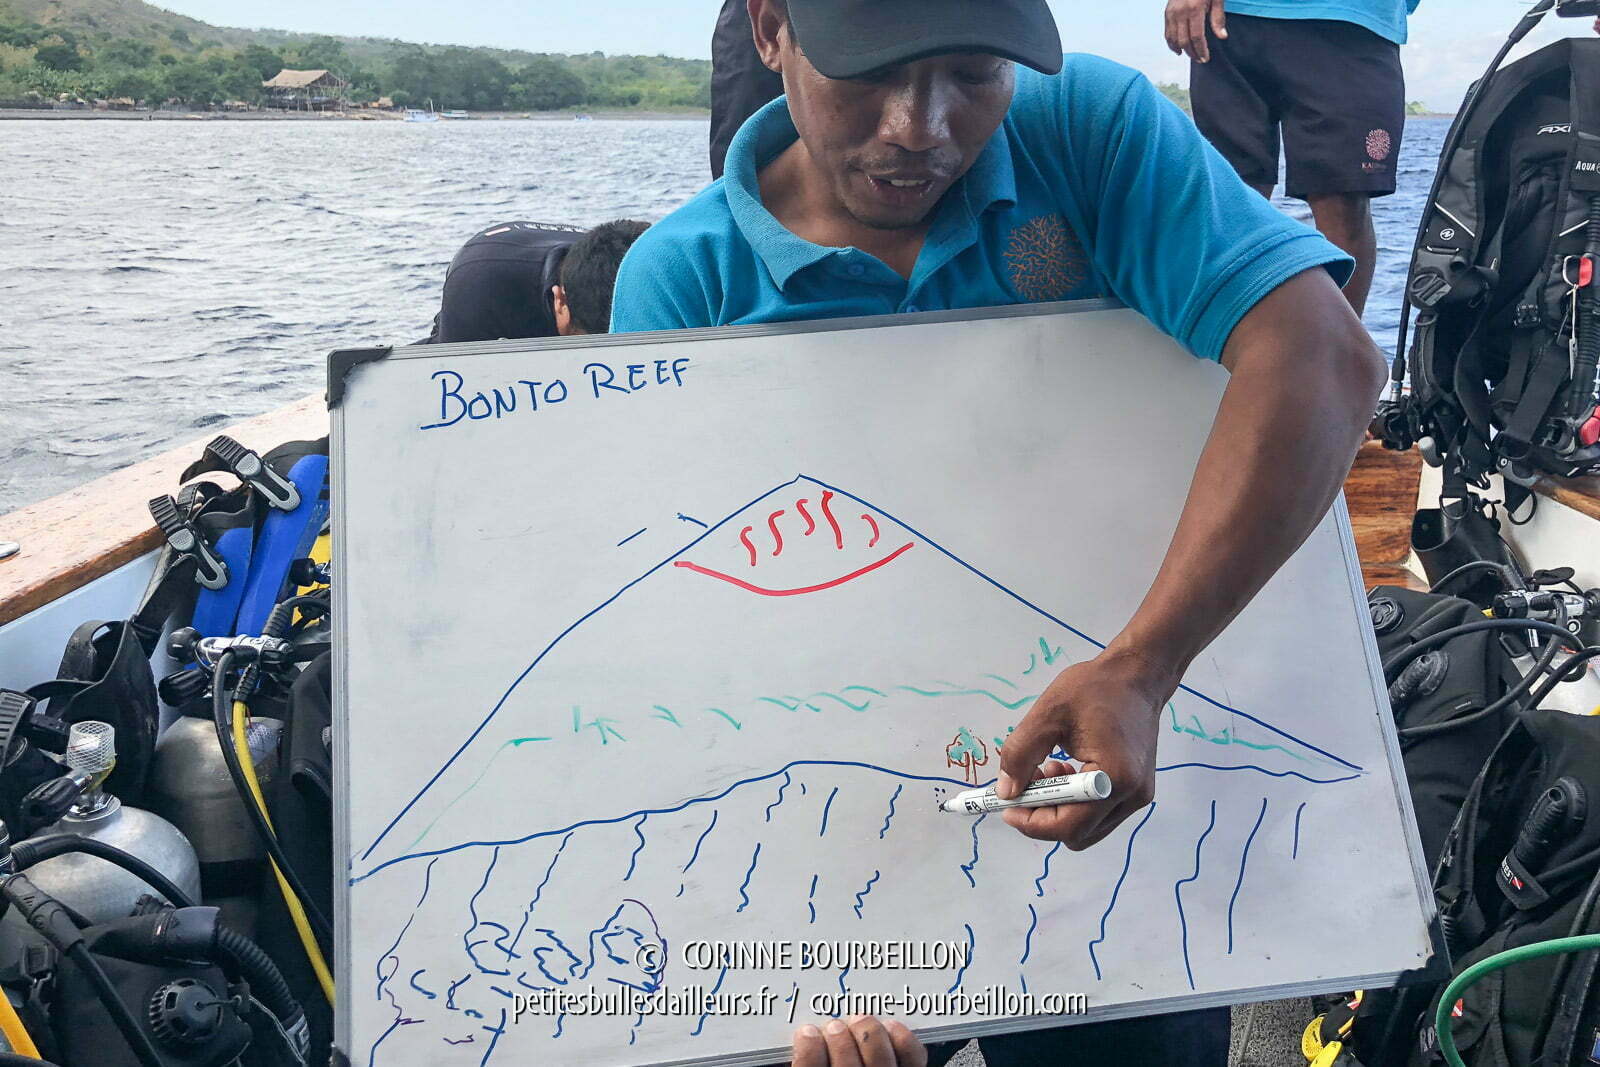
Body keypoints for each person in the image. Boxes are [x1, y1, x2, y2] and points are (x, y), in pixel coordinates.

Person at [617, 0, 1384, 1061]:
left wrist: (1143, 669)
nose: (919, 128)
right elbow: (684, 659)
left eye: (974, 75)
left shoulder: (1087, 129)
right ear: (770, 30)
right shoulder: (683, 282)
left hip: (1120, 808)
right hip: (852, 855)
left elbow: (1325, 358)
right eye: (868, 75)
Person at [1163, 0, 1419, 314]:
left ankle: (1335, 344)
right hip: (1231, 20)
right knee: (1228, 201)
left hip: (1351, 20)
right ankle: (1225, 340)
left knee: (1342, 202)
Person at [424, 218, 649, 343]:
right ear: (560, 300)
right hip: (489, 281)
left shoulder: (641, 273)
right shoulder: (478, 285)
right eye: (581, 341)